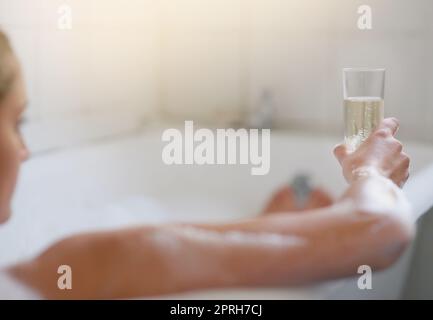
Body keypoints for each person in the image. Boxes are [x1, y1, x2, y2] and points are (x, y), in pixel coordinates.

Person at [0, 30, 414, 299]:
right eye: (16, 122)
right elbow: (379, 228)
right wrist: (369, 172)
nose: (25, 151)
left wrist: (261, 226)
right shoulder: (60, 272)